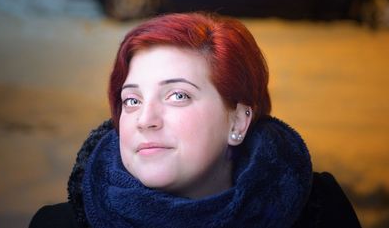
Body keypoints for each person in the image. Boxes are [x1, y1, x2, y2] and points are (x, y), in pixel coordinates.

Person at [29, 12, 361, 228]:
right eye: (131, 100)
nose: (145, 119)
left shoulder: (319, 213)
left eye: (178, 95)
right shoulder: (57, 224)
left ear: (238, 121)